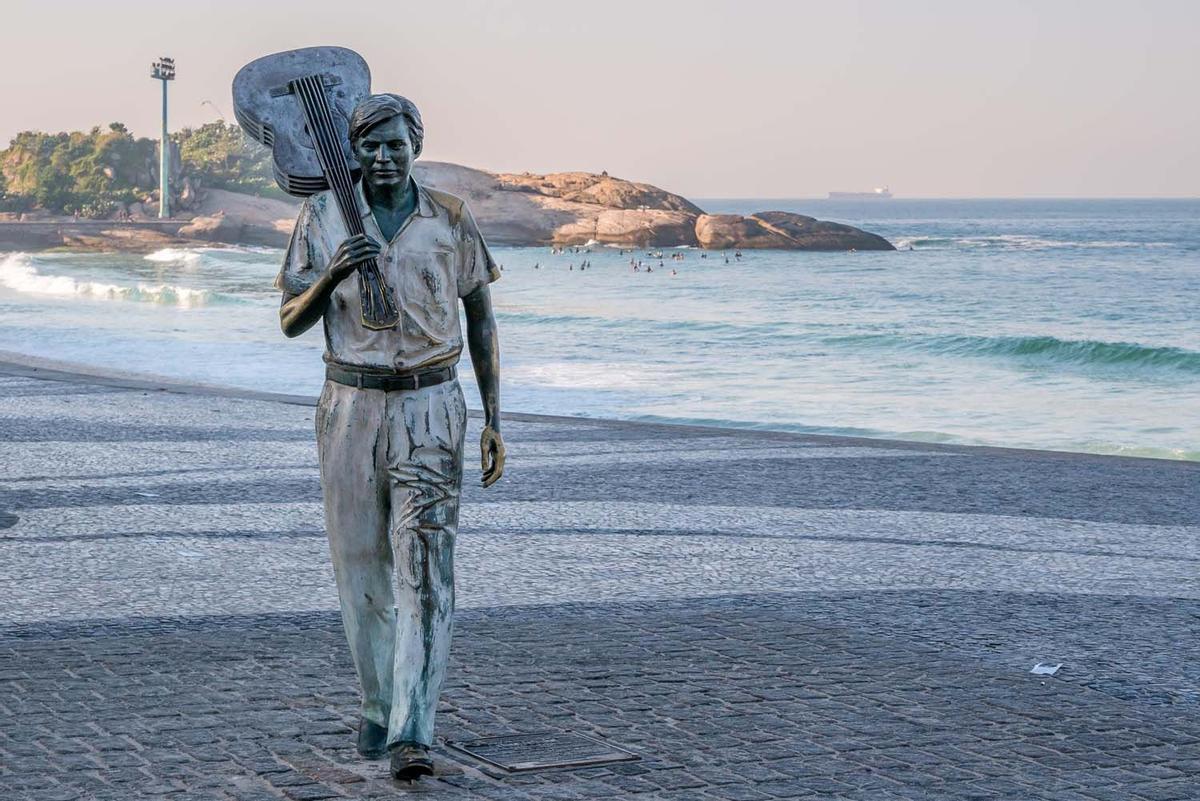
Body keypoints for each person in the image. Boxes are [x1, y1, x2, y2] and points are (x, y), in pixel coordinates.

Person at [275, 94, 505, 782]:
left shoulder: (450, 218)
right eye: (369, 146)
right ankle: (378, 702)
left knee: (427, 572)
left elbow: (483, 319)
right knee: (362, 568)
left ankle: (414, 727)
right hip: (349, 405)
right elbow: (288, 318)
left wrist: (496, 416)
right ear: (353, 152)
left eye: (395, 145)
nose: (382, 157)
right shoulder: (320, 217)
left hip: (432, 404)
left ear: (416, 147)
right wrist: (335, 271)